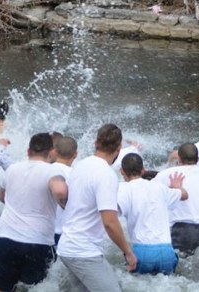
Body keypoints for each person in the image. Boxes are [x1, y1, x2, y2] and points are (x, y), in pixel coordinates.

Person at [56, 123, 136, 292]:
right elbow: (109, 222)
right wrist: (128, 251)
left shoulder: (80, 166)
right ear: (119, 148)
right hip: (82, 251)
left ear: (95, 142)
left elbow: (64, 199)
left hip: (68, 246)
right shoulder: (106, 175)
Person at [0, 133, 69, 292]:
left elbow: (1, 196)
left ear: (28, 151)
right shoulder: (51, 170)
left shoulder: (12, 169)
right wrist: (66, 206)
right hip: (36, 242)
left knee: (0, 288)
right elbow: (60, 191)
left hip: (4, 239)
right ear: (51, 151)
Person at [118, 152, 188, 275]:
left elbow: (110, 216)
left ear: (122, 171)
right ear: (143, 170)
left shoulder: (123, 189)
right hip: (167, 251)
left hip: (142, 252)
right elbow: (184, 195)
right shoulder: (160, 187)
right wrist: (177, 187)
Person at [154, 142, 199, 255]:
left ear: (178, 158)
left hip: (182, 229)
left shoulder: (165, 174)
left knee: (179, 266)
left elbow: (150, 194)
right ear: (198, 159)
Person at [53, 135, 77, 246]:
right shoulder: (76, 175)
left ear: (55, 151)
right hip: (64, 232)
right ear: (75, 154)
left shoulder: (43, 170)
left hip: (40, 232)